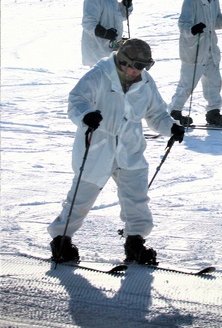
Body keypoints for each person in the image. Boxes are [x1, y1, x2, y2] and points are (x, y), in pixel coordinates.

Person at [49, 39, 184, 265]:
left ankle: (135, 242)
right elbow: (76, 100)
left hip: (130, 148)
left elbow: (157, 114)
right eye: (133, 66)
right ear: (122, 61)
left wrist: (170, 127)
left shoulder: (146, 83)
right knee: (80, 199)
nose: (136, 71)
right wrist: (86, 115)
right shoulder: (99, 75)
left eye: (142, 67)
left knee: (137, 198)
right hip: (97, 147)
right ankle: (61, 240)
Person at [168, 0, 222, 127]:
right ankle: (174, 112)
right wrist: (192, 29)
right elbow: (183, 24)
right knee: (187, 84)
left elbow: (215, 22)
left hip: (210, 48)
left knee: (214, 82)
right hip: (194, 49)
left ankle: (213, 112)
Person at [81, 0, 133, 66]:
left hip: (109, 52)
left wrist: (127, 2)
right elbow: (88, 23)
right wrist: (104, 33)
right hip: (97, 53)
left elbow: (121, 16)